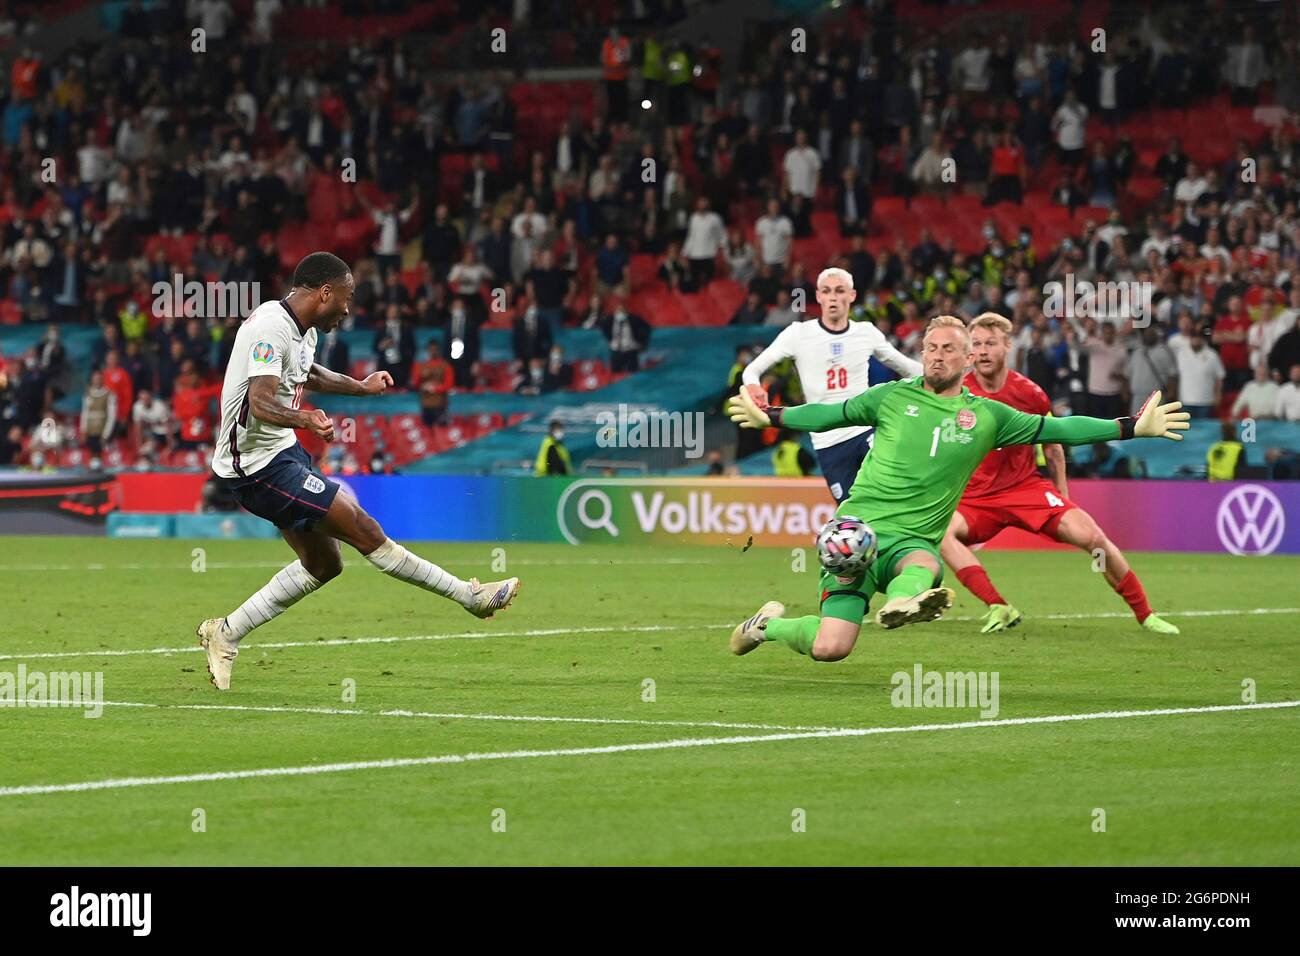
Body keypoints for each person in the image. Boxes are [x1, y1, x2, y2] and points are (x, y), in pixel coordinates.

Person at [724, 315, 1189, 662]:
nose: (937, 355)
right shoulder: (892, 397)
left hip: (911, 540)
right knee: (831, 648)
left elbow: (1060, 430)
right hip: (856, 531)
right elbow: (831, 413)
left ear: (967, 360)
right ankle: (766, 625)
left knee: (925, 560)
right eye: (930, 347)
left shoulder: (989, 417)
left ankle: (905, 600)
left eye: (949, 349)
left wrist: (1128, 426)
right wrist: (775, 415)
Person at [198, 253, 520, 691]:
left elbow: (306, 372)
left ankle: (226, 632)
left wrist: (359, 387)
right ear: (324, 292)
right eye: (345, 299)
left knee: (324, 563)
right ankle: (470, 596)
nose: (348, 310)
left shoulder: (300, 328)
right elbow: (260, 401)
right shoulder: (268, 328)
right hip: (254, 467)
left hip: (283, 454)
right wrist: (307, 419)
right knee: (364, 529)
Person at [940, 314, 1180, 635]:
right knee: (942, 534)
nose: (982, 351)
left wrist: (1064, 500)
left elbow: (1054, 448)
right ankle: (999, 606)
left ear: (1008, 346)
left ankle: (1145, 614)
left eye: (991, 343)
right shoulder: (955, 394)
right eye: (977, 344)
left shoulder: (1030, 394)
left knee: (1093, 539)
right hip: (975, 498)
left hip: (1025, 489)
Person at [741, 267, 921, 502]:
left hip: (864, 431)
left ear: (852, 295)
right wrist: (754, 386)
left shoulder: (865, 332)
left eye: (839, 291)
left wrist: (951, 376)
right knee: (852, 515)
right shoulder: (798, 334)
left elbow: (907, 367)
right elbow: (752, 369)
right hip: (827, 442)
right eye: (827, 291)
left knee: (893, 497)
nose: (833, 297)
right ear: (818, 297)